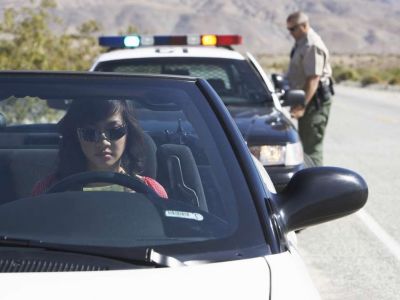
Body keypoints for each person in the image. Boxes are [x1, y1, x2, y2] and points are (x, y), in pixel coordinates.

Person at [32, 99, 167, 198]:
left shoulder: (151, 190)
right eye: (90, 133)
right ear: (76, 137)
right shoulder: (48, 190)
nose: (103, 142)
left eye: (114, 131)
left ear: (129, 132)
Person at [286, 11, 334, 166]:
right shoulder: (301, 42)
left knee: (311, 149)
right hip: (308, 99)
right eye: (289, 29)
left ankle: (317, 187)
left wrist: (302, 105)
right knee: (305, 146)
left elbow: (313, 80)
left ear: (304, 26)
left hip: (314, 101)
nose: (291, 33)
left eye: (293, 29)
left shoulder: (312, 45)